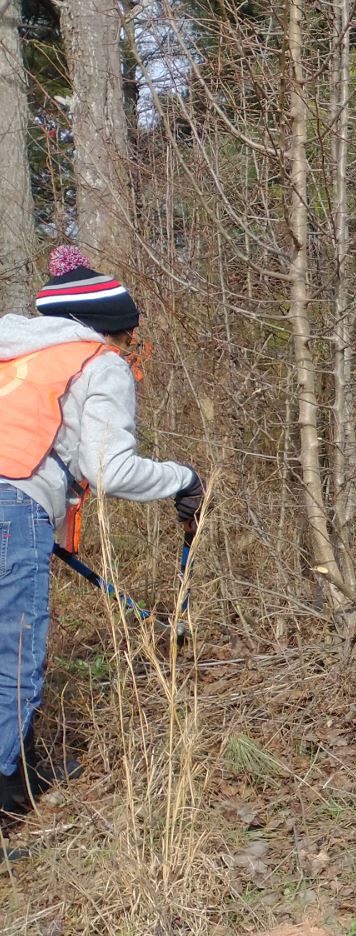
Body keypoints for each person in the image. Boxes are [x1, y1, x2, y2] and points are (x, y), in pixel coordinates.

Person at [1, 246, 202, 816]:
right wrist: (184, 479)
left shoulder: (14, 351)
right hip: (12, 507)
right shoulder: (96, 361)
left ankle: (16, 780)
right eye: (125, 336)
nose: (125, 349)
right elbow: (109, 471)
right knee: (12, 657)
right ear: (109, 329)